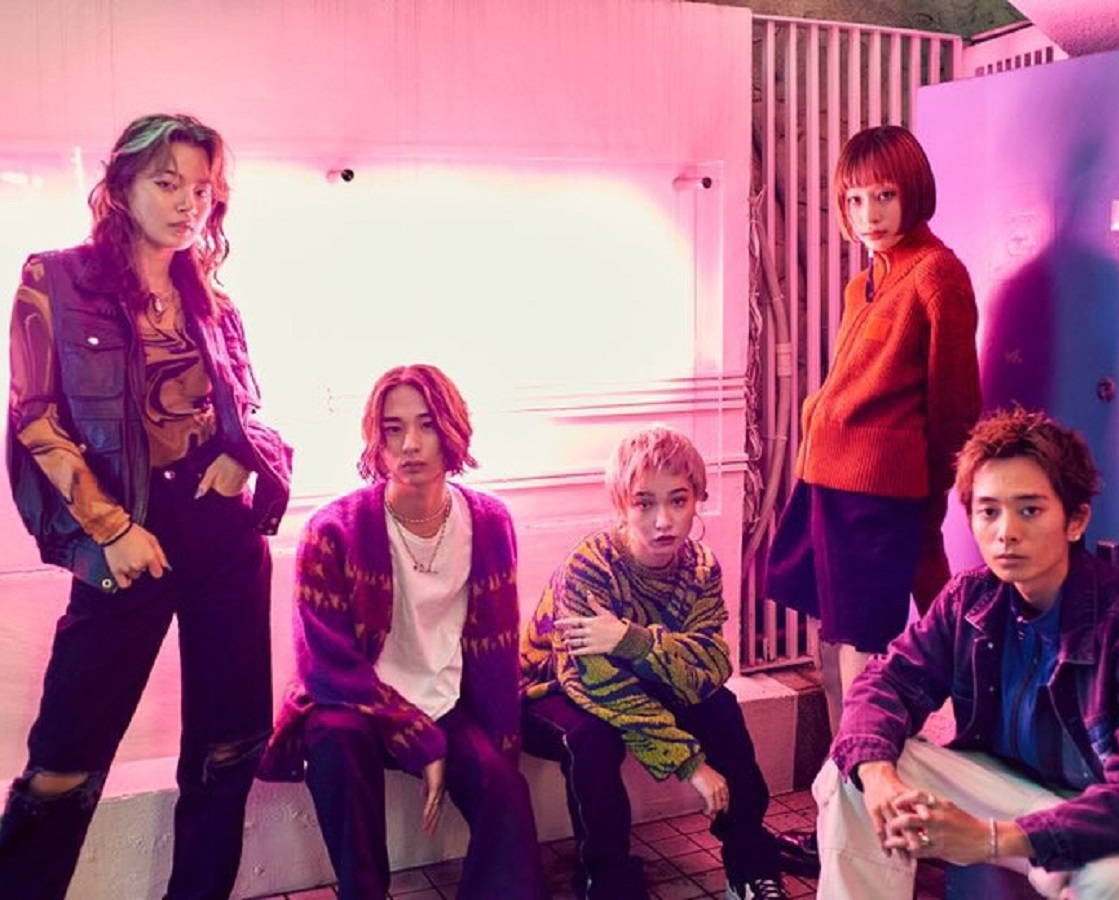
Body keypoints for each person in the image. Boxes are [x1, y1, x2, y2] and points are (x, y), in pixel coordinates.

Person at [0, 113, 292, 899]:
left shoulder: (214, 299)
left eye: (203, 189)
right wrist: (112, 528)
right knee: (62, 764)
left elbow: (248, 409)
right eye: (168, 182)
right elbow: (34, 419)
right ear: (122, 185)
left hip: (223, 538)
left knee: (229, 747)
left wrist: (242, 454)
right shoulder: (55, 280)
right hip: (123, 535)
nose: (188, 203)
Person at [812, 407, 1119, 899]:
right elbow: (887, 683)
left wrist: (992, 839)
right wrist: (879, 776)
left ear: (1076, 520)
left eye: (1029, 510)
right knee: (857, 770)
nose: (1006, 532)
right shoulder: (970, 599)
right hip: (1006, 794)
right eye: (989, 511)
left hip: (1098, 819)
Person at [765, 124, 982, 874]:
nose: (868, 214)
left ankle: (862, 833)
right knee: (833, 651)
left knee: (863, 665)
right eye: (855, 199)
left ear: (912, 192)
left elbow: (955, 405)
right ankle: (840, 817)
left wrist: (934, 498)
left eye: (884, 195)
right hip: (826, 484)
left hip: (879, 498)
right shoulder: (866, 281)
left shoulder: (937, 274)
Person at [257, 364, 545, 900]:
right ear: (376, 437)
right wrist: (419, 740)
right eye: (393, 429)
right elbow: (326, 668)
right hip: (354, 703)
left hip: (444, 701)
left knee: (504, 790)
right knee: (334, 741)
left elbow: (497, 655)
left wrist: (496, 755)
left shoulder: (489, 522)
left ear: (452, 429)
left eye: (427, 424)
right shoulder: (332, 530)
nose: (410, 444)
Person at [520, 425, 786, 900]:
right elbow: (594, 685)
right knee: (592, 736)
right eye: (644, 503)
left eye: (678, 500)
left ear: (698, 499)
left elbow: (710, 666)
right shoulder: (590, 569)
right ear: (621, 506)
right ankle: (607, 882)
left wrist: (633, 642)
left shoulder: (701, 567)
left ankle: (749, 867)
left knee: (720, 707)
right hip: (552, 689)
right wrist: (690, 764)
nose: (663, 521)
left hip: (635, 676)